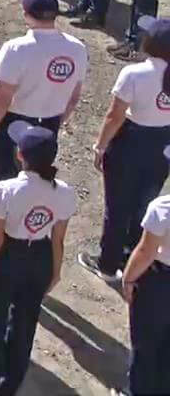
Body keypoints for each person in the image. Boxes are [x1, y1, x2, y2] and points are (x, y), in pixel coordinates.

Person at [0, 121, 74, 396]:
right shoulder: (63, 191)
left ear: (20, 155)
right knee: (25, 323)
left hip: (6, 257)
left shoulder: (4, 190)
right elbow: (58, 238)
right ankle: (11, 382)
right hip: (39, 256)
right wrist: (55, 270)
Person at [87, 19, 170, 281]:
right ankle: (132, 255)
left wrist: (100, 145)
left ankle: (108, 264)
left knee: (117, 205)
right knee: (144, 203)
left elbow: (115, 116)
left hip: (130, 141)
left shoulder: (135, 74)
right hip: (163, 144)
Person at [0, 0, 86, 182]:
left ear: (26, 15)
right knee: (37, 183)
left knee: (6, 184)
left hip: (13, 123)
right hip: (49, 124)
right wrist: (56, 122)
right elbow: (74, 97)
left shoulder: (16, 48)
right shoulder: (77, 48)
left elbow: (3, 97)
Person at [119, 163, 170, 396]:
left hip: (159, 281)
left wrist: (128, 279)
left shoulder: (163, 208)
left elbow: (145, 252)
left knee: (146, 341)